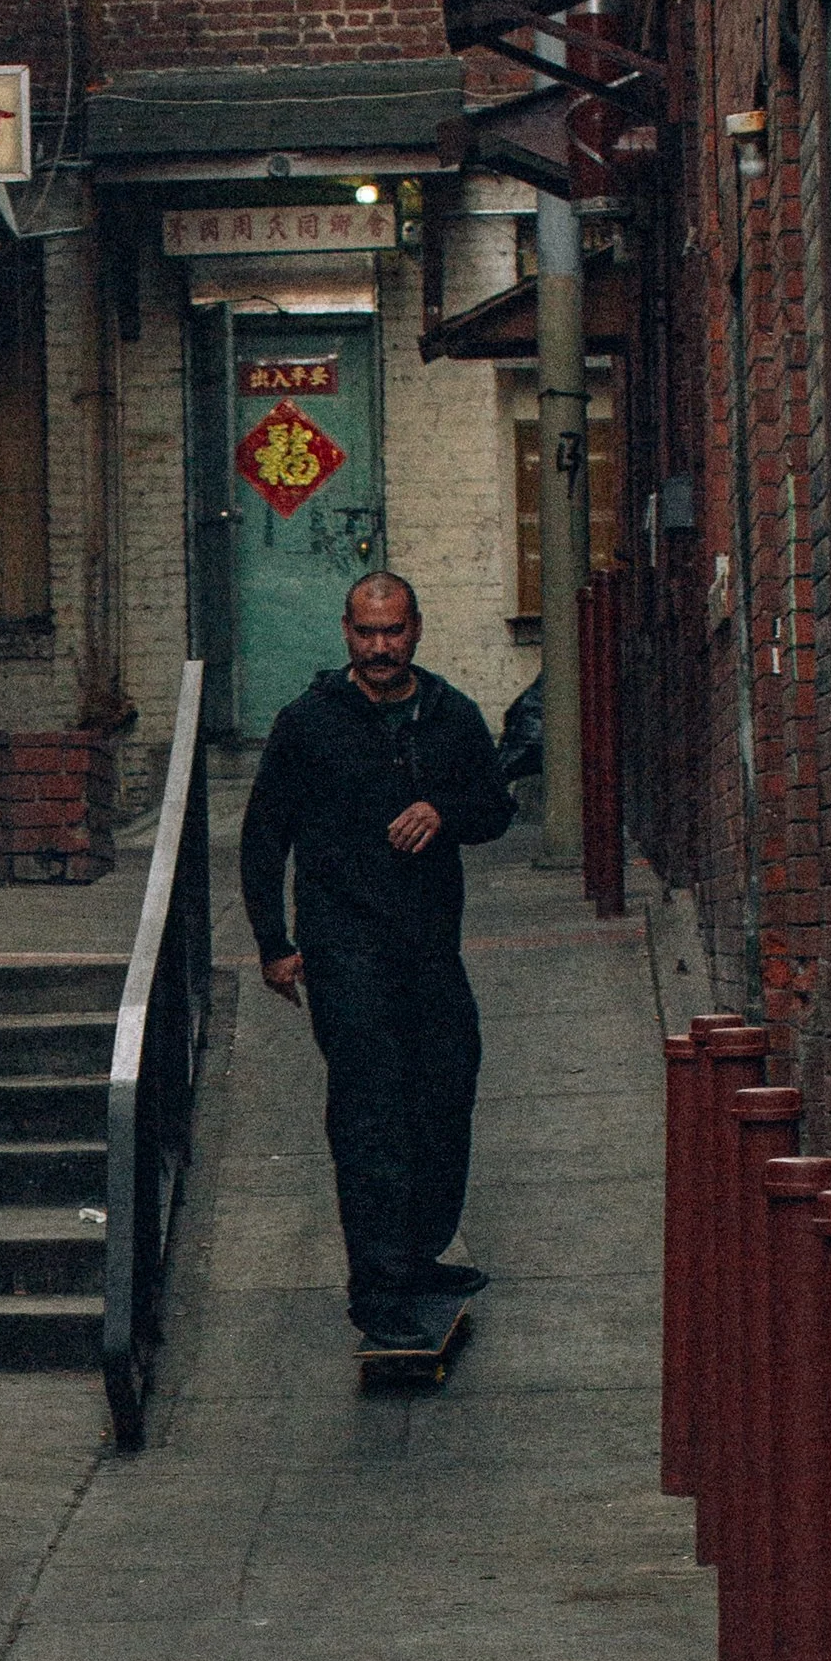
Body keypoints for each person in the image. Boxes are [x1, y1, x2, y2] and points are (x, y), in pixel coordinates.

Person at [237, 572, 515, 1355]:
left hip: (429, 947)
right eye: (367, 632)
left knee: (446, 1089)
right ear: (346, 633)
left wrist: (444, 810)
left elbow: (496, 811)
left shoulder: (451, 715)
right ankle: (378, 1287)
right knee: (370, 1113)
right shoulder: (308, 723)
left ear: (417, 629)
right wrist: (274, 942)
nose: (381, 646)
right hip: (343, 947)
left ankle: (420, 1252)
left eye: (394, 631)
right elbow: (265, 837)